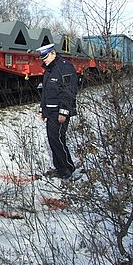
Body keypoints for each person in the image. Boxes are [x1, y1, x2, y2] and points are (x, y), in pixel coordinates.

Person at [37, 43, 82, 181]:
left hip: (59, 112)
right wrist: (42, 110)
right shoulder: (49, 69)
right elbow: (46, 92)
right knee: (53, 140)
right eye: (42, 57)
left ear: (53, 53)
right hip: (50, 111)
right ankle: (61, 168)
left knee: (58, 140)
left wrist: (64, 111)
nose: (43, 60)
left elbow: (69, 91)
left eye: (45, 57)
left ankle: (68, 168)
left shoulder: (64, 67)